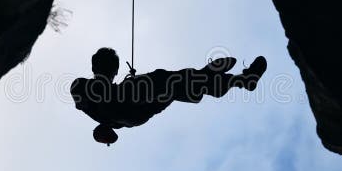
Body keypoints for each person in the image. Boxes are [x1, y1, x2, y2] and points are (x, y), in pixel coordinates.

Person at [71, 47, 267, 145]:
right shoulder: (83, 86)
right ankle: (211, 79)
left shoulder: (94, 90)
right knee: (164, 80)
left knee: (173, 86)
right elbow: (95, 99)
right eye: (112, 70)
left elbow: (97, 103)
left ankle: (237, 81)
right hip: (128, 109)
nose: (112, 75)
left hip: (137, 113)